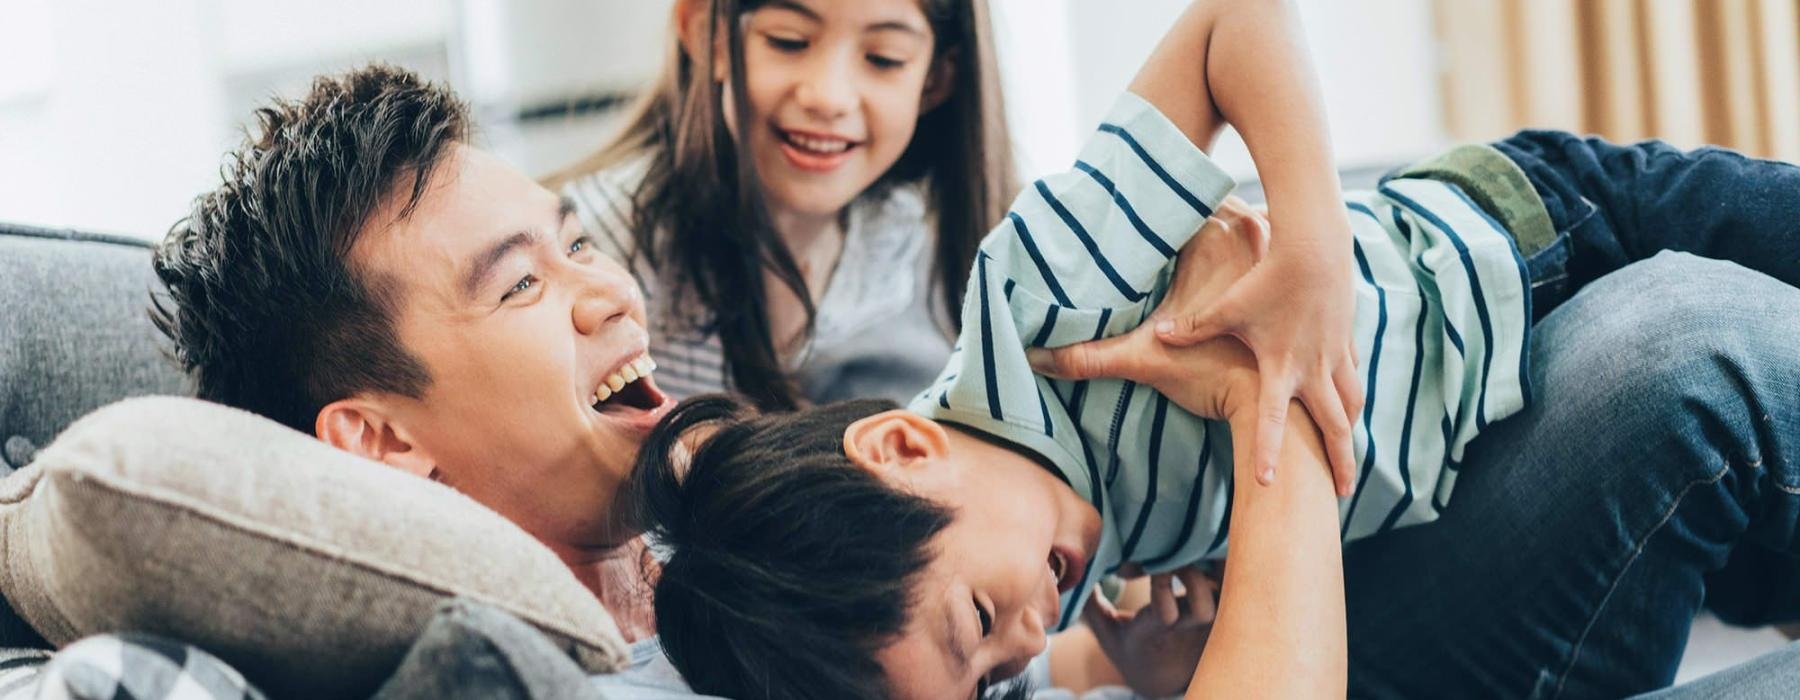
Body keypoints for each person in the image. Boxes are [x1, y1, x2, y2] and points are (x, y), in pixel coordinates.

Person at [150, 64, 1800, 700]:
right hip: (1308, 579)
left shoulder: (719, 543)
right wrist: (1257, 403)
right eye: (520, 282)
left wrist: (1105, 647)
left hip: (1312, 520)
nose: (600, 296)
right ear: (376, 442)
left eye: (567, 242)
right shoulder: (644, 672)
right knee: (1689, 351)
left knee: (1674, 292)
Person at [625, 2, 1800, 699]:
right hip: (1479, 432)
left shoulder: (1035, 299)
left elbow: (1229, 24)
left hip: (1531, 241)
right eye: (995, 678)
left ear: (898, 445)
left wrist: (1314, 246)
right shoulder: (1056, 540)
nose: (1032, 642)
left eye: (985, 622)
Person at [549, 0, 1364, 489]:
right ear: (703, 28)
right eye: (789, 41)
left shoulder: (908, 236)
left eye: (883, 58)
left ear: (934, 80)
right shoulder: (601, 250)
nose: (829, 96)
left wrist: (1316, 252)